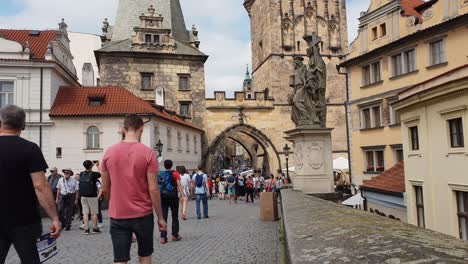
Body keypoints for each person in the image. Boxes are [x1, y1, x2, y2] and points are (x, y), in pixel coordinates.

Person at [100, 114, 167, 264]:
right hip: (143, 214)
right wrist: (160, 217)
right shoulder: (148, 153)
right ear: (141, 130)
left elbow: (104, 188)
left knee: (120, 259)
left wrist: (115, 203)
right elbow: (154, 189)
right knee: (145, 255)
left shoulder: (109, 153)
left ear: (123, 129)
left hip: (118, 215)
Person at [0, 105, 61, 263]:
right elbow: (40, 186)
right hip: (25, 220)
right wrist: (54, 217)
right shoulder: (30, 149)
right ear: (24, 126)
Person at [158, 160, 183, 244]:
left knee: (163, 216)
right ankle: (174, 235)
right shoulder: (175, 173)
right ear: (171, 165)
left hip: (163, 197)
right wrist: (182, 194)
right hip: (173, 197)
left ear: (164, 166)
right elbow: (179, 184)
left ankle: (163, 237)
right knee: (174, 216)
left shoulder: (160, 174)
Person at [79, 160, 102, 235]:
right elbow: (100, 174)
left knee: (85, 213)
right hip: (92, 195)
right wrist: (97, 166)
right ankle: (95, 228)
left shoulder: (81, 173)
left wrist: (91, 164)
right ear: (91, 166)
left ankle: (86, 229)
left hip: (83, 196)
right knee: (94, 213)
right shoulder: (94, 174)